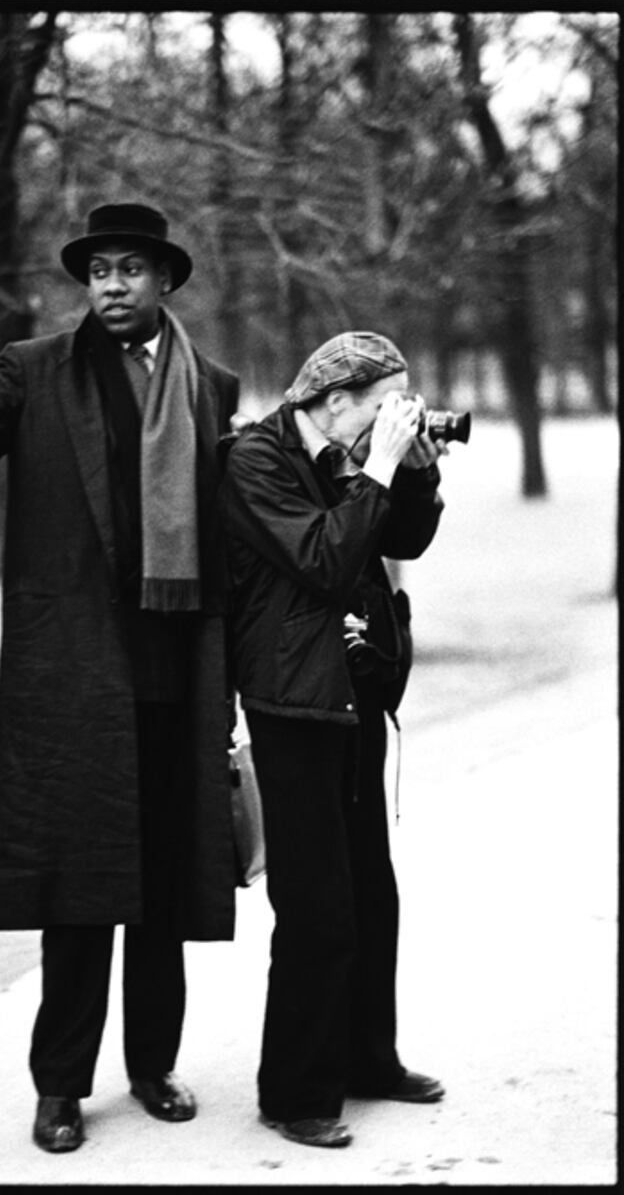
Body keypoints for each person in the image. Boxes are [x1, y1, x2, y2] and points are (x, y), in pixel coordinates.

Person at [0, 203, 239, 1154]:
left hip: (178, 669)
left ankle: (152, 1066)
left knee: (164, 885)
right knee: (78, 888)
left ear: (164, 280)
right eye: (99, 270)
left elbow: (232, 516)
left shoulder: (211, 387)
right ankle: (60, 1084)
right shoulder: (36, 368)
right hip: (76, 673)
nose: (113, 285)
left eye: (131, 269)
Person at [222, 331, 447, 1149]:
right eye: (385, 404)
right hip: (293, 704)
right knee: (316, 905)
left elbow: (401, 541)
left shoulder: (354, 456)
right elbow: (323, 557)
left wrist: (413, 469)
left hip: (354, 692)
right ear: (335, 399)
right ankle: (294, 1092)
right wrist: (379, 467)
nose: (394, 417)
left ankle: (367, 1059)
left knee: (372, 894)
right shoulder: (256, 461)